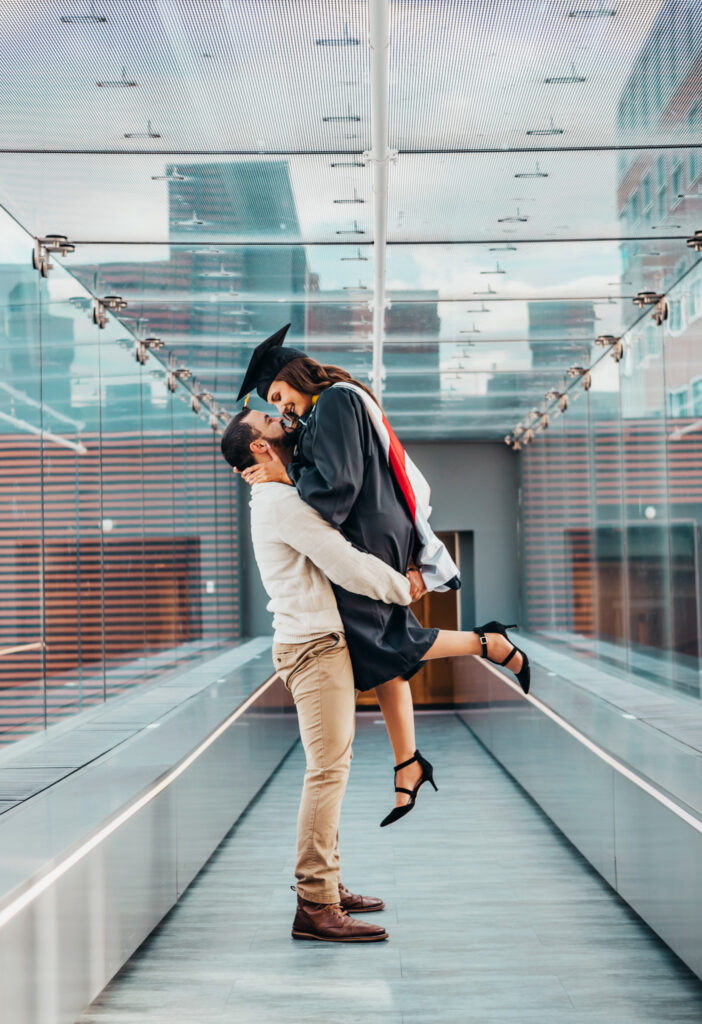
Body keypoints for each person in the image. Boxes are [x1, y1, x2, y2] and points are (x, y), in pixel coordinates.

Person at [231, 325, 531, 827]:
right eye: (273, 406)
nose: (281, 409)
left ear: (294, 375)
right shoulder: (330, 407)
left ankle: (488, 644)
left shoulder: (334, 404)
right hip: (376, 528)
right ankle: (408, 762)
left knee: (387, 639)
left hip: (369, 532)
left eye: (279, 396)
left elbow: (338, 488)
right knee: (380, 651)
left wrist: (287, 477)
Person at [221, 408, 423, 941]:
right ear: (260, 448)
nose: (282, 416)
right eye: (269, 419)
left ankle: (328, 886)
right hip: (313, 647)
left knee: (332, 766)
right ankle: (314, 904)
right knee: (327, 771)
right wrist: (403, 587)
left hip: (314, 644)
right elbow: (342, 559)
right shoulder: (279, 502)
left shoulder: (283, 491)